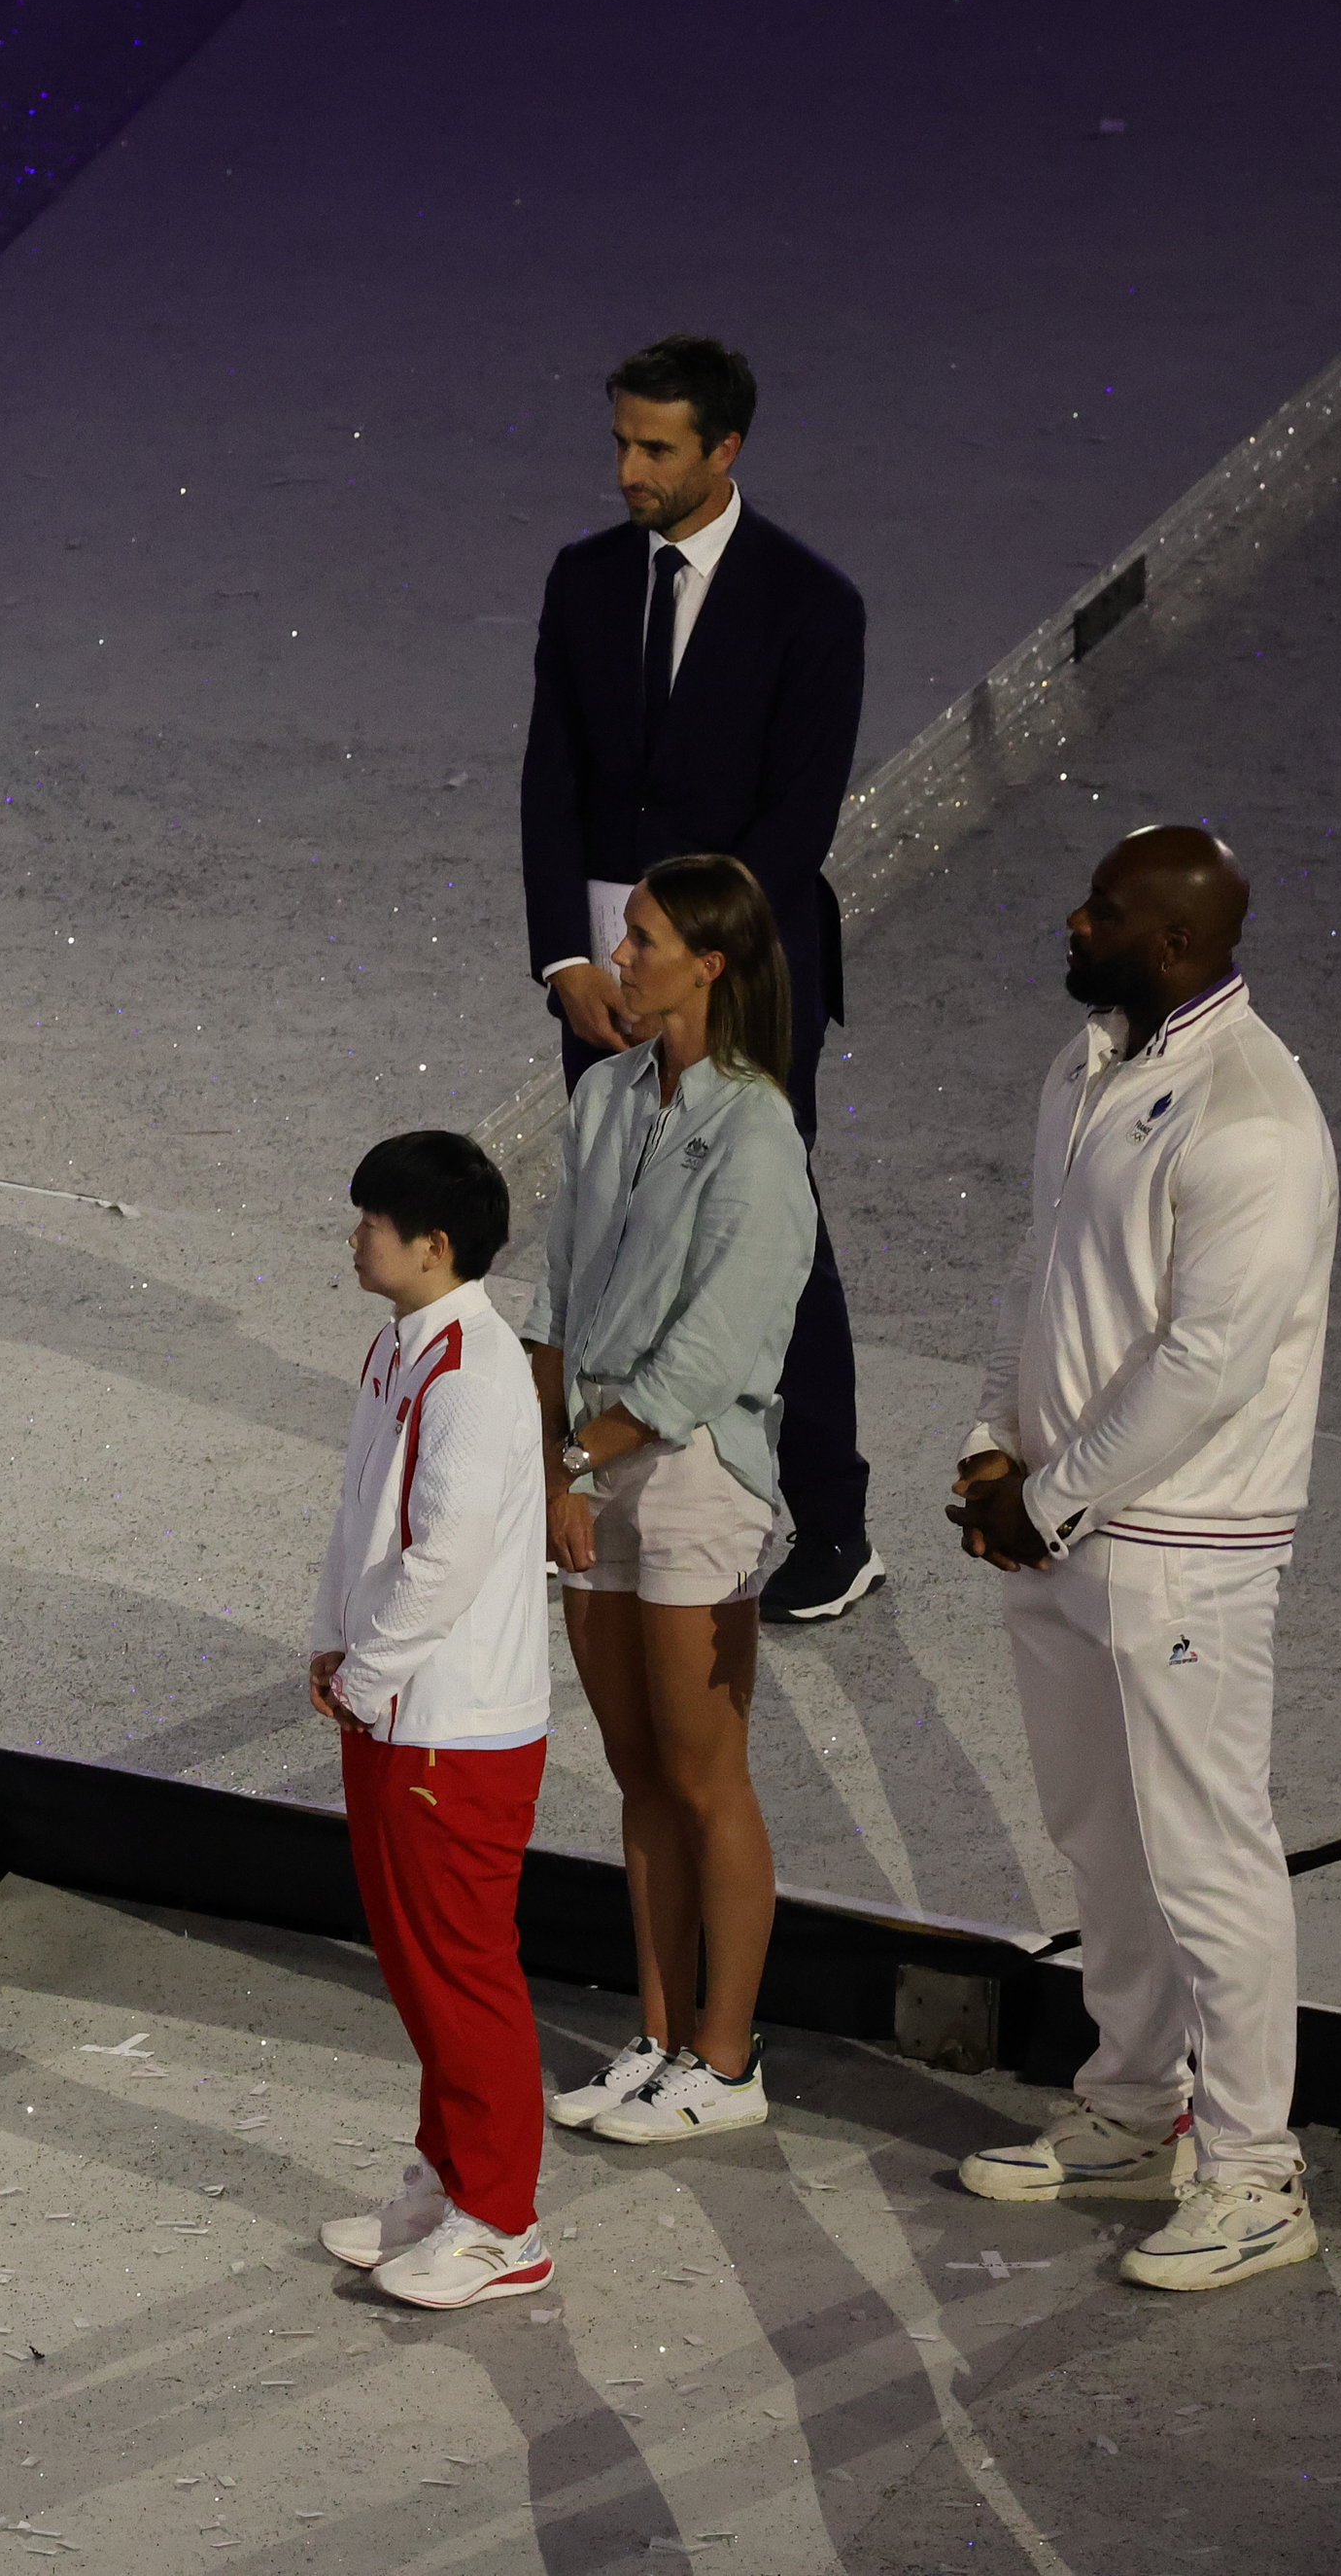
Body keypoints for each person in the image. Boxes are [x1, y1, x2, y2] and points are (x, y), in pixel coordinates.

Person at [948, 824, 1339, 2291]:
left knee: (1207, 1853)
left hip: (1185, 1542)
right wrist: (993, 1445)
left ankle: (1253, 2169)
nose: (1072, 913)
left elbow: (1209, 1362)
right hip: (1059, 1520)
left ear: (1173, 940)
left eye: (1101, 905)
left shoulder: (1255, 1116)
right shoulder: (1086, 1064)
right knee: (1099, 1834)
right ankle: (1131, 2104)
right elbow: (1042, 1269)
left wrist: (1049, 1495)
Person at [519, 334, 879, 1621]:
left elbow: (796, 822)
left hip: (746, 970)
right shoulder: (583, 580)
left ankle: (831, 1517)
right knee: (612, 1224)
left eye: (656, 447)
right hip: (609, 972)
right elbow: (551, 777)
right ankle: (600, 1478)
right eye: (620, 441)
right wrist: (572, 954)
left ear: (724, 450)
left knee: (772, 1237)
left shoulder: (811, 605)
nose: (629, 469)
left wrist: (696, 974)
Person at [529, 853, 816, 2148]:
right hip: (591, 1460)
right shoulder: (599, 1096)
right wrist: (548, 1464)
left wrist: (580, 1460)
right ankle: (654, 2037)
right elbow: (552, 1301)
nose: (619, 958)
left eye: (640, 940)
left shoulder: (759, 1129)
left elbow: (705, 1357)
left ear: (710, 963)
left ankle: (729, 2053)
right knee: (637, 1769)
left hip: (693, 1469)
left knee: (708, 1778)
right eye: (622, 936)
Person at [310, 1129, 556, 2310]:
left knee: (461, 1971)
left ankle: (502, 2220)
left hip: (449, 1724)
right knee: (415, 1968)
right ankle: (447, 2178)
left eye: (370, 1220)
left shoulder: (473, 1368)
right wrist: (334, 1637)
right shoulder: (399, 1345)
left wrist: (365, 1671)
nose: (352, 1236)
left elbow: (446, 1550)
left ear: (433, 1243)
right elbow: (361, 1504)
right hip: (393, 1705)